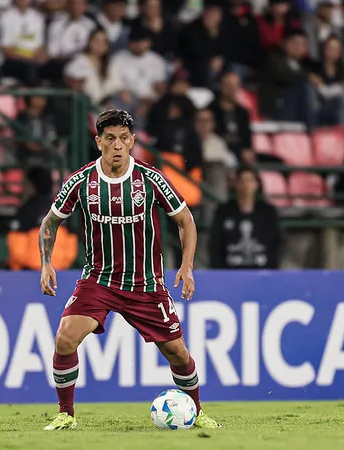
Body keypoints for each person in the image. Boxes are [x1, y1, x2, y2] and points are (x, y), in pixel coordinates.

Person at [38, 109, 221, 431]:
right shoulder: (80, 182)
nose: (118, 145)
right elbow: (50, 222)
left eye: (124, 138)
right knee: (65, 339)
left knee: (177, 352)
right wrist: (46, 263)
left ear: (133, 141)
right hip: (98, 280)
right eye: (110, 139)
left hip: (146, 283)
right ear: (98, 142)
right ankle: (66, 414)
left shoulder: (151, 179)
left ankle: (197, 410)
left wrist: (187, 266)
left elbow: (186, 221)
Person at [209, 167, 281, 269]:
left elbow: (275, 243)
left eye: (249, 181)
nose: (245, 185)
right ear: (235, 184)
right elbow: (215, 244)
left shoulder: (267, 212)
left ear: (257, 184)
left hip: (261, 271)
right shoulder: (224, 211)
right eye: (242, 180)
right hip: (231, 272)